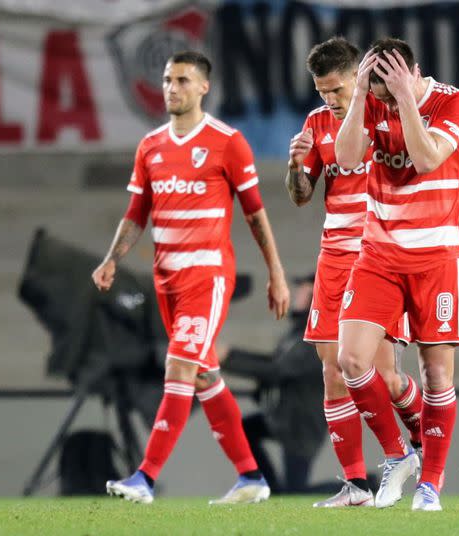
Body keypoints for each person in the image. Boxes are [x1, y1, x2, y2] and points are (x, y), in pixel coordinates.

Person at [92, 50, 290, 505]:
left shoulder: (227, 142)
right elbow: (136, 214)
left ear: (204, 87)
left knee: (179, 365)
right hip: (167, 281)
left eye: (182, 80)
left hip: (207, 275)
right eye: (166, 79)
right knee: (203, 376)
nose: (171, 88)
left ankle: (144, 477)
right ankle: (251, 477)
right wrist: (111, 260)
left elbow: (256, 215)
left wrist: (276, 273)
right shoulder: (151, 146)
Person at [334, 37, 459, 511]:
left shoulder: (455, 102)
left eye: (392, 91)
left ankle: (430, 484)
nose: (386, 104)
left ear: (415, 73)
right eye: (380, 95)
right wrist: (359, 98)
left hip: (436, 260)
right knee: (351, 361)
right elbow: (349, 158)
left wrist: (406, 102)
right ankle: (397, 454)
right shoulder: (372, 101)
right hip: (379, 256)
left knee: (436, 374)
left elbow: (427, 157)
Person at [285, 37, 423, 507]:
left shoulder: (382, 115)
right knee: (332, 372)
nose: (329, 99)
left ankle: (423, 444)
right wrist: (293, 166)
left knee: (384, 376)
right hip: (333, 257)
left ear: (356, 78)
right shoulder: (316, 123)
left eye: (337, 89)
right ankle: (358, 485)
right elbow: (302, 195)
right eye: (322, 91)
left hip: (379, 256)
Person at [221, 274, 324, 494]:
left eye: (304, 290)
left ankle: (366, 485)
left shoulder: (315, 335)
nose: (296, 295)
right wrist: (229, 358)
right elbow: (275, 365)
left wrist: (229, 358)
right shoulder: (299, 332)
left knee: (296, 493)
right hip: (285, 418)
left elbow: (278, 370)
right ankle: (269, 488)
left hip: (301, 425)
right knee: (244, 430)